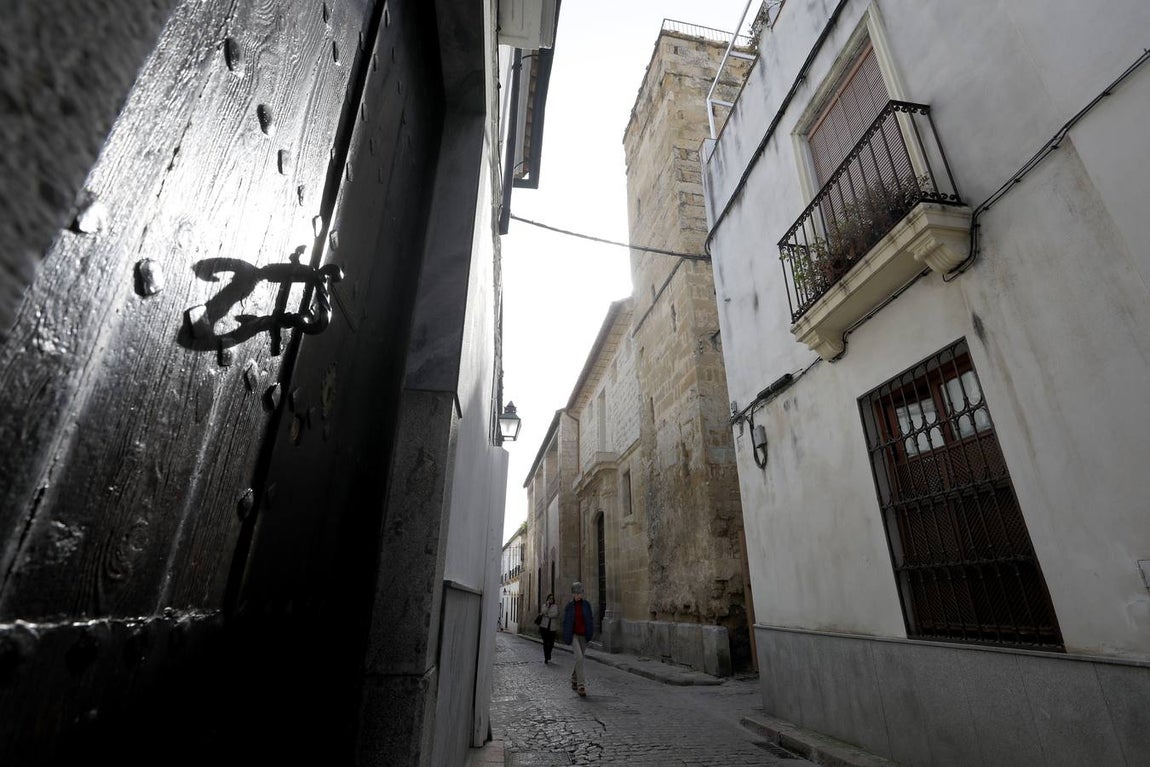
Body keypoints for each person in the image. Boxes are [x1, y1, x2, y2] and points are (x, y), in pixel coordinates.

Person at [562, 581, 594, 697]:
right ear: (574, 594)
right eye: (578, 593)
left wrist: (590, 632)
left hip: (584, 635)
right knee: (579, 658)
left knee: (579, 660)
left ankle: (574, 678)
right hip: (574, 635)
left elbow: (590, 619)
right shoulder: (569, 606)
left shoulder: (586, 605)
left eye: (581, 592)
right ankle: (581, 685)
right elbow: (566, 622)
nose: (580, 595)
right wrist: (567, 636)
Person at [539, 593, 559, 662]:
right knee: (545, 643)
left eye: (552, 598)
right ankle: (546, 657)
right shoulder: (544, 605)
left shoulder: (555, 606)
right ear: (547, 599)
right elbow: (543, 612)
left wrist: (547, 615)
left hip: (552, 628)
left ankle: (549, 653)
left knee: (551, 643)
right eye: (550, 598)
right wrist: (547, 606)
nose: (551, 599)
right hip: (544, 627)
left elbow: (555, 614)